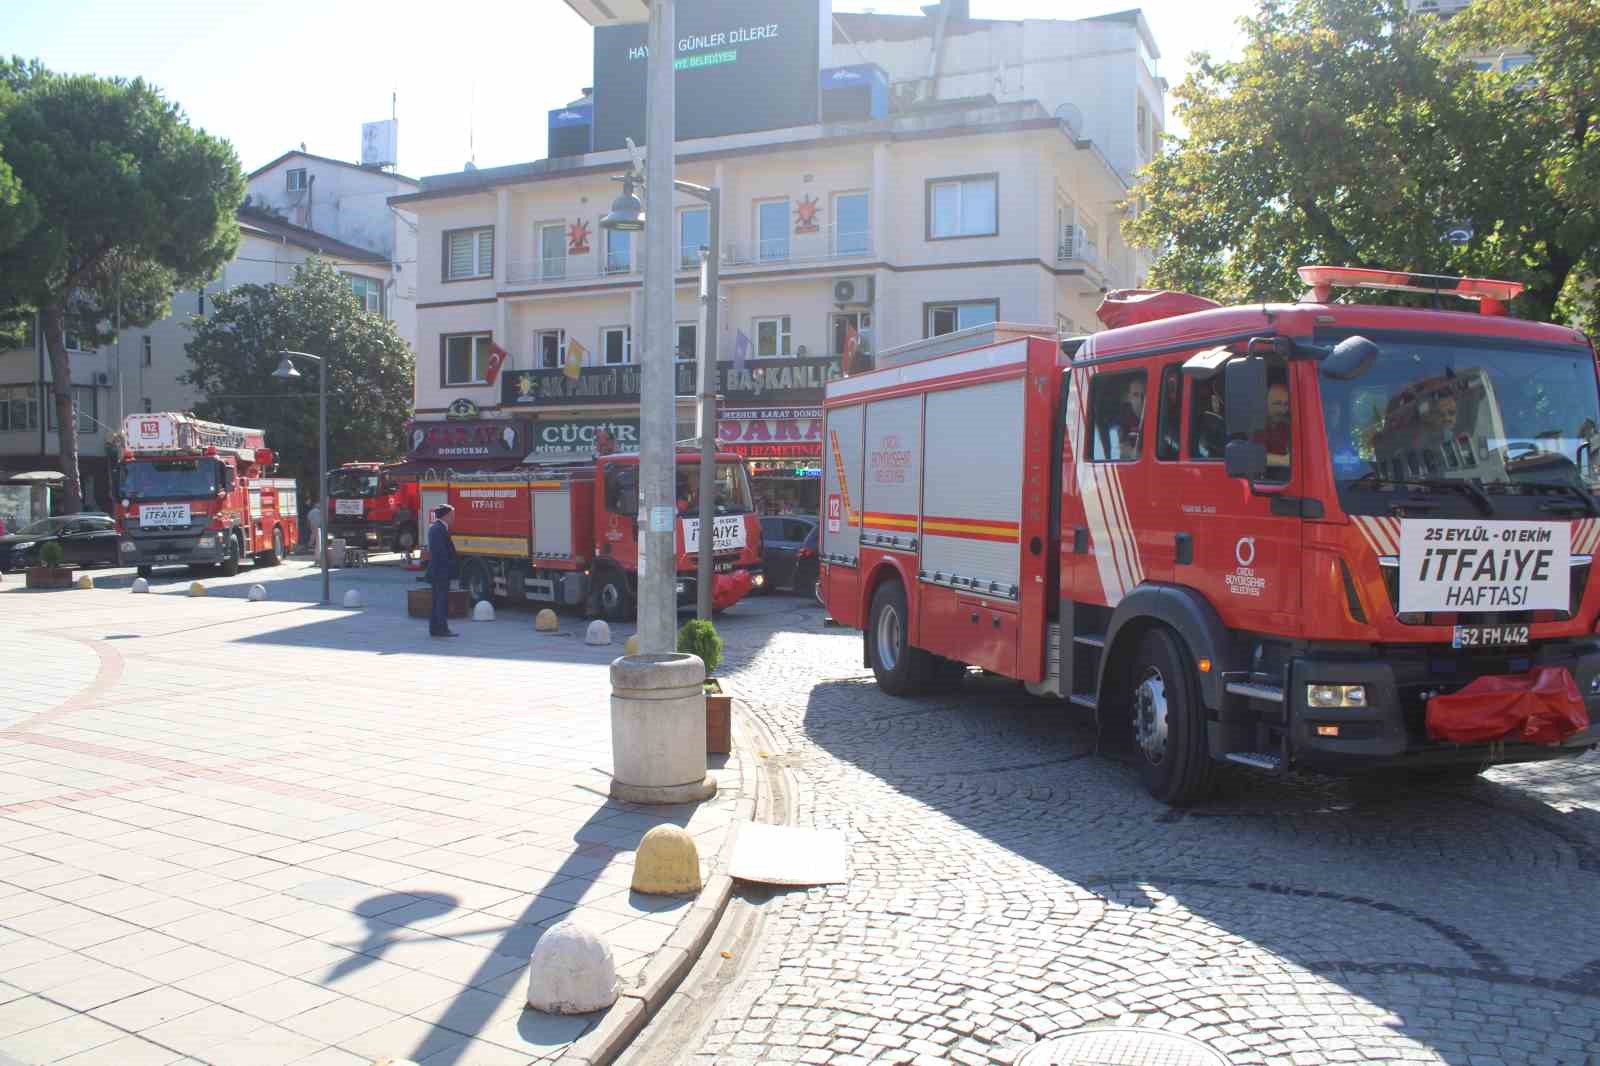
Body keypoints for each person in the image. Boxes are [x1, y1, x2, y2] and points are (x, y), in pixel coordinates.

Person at [426, 504, 458, 638]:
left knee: (437, 600)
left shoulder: (437, 528)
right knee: (441, 600)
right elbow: (441, 553)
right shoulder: (438, 529)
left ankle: (435, 628)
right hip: (440, 571)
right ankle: (441, 629)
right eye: (452, 515)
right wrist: (450, 565)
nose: (454, 518)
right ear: (446, 516)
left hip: (438, 570)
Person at [1258, 381, 1291, 473]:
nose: (1282, 410)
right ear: (1265, 402)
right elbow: (1251, 456)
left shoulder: (1287, 425)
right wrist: (1284, 461)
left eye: (1286, 404)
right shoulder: (1254, 426)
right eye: (1277, 403)